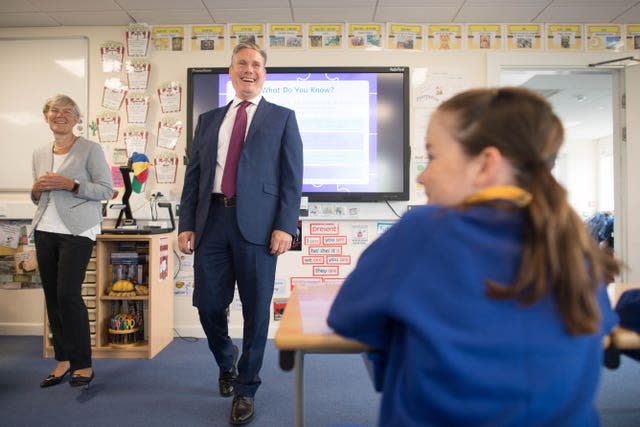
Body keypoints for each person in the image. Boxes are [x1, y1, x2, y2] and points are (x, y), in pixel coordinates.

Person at [327, 87, 620, 427]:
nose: (423, 176)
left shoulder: (421, 231)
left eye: (433, 156)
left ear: (486, 165)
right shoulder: (573, 241)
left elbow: (347, 317)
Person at [178, 41, 303, 425]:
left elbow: (291, 179)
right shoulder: (208, 120)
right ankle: (225, 361)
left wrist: (285, 225)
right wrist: (186, 223)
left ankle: (246, 388)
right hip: (212, 221)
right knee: (208, 304)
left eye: (256, 65)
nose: (249, 70)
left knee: (255, 313)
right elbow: (194, 176)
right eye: (242, 64)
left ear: (264, 73)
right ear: (230, 71)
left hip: (260, 229)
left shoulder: (282, 117)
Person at [32, 94, 113, 389]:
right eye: (55, 110)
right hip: (44, 229)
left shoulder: (90, 149)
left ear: (77, 120)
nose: (60, 115)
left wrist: (71, 184)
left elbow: (106, 189)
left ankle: (83, 364)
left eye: (68, 111)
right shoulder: (40, 152)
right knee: (53, 297)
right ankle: (63, 360)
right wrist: (35, 189)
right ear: (46, 116)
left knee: (68, 295)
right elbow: (38, 196)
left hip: (78, 231)